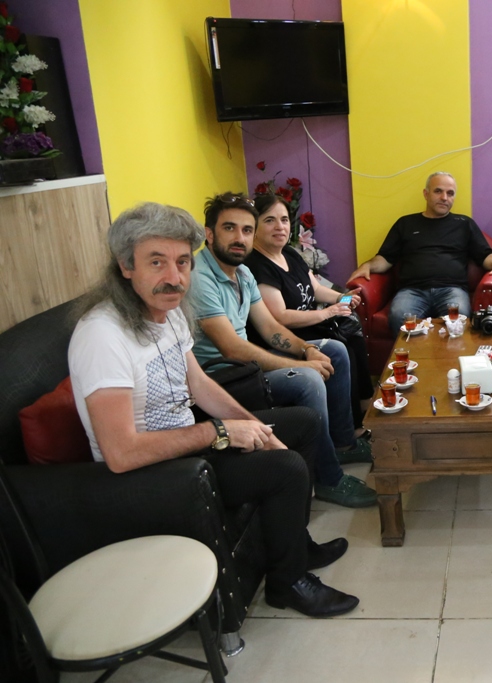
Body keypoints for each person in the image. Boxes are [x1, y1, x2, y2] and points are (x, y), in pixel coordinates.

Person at [68, 201, 361, 617]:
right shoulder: (103, 335)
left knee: (303, 424)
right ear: (125, 265)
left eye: (182, 262)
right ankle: (288, 584)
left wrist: (256, 427)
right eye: (157, 262)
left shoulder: (166, 312)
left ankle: (297, 546)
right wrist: (219, 431)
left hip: (186, 446)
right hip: (150, 476)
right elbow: (121, 453)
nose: (174, 277)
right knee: (286, 469)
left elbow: (200, 384)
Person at [191, 192, 376, 508]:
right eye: (229, 228)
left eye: (246, 230)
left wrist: (306, 351)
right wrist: (303, 366)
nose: (239, 238)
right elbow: (231, 348)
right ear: (209, 233)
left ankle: (343, 443)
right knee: (308, 380)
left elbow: (269, 327)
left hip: (246, 368)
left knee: (333, 350)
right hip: (221, 379)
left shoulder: (242, 272)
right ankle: (328, 477)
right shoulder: (200, 278)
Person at [245, 193, 374, 441]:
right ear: (255, 227)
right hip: (289, 334)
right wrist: (326, 312)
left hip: (311, 324)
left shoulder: (289, 253)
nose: (280, 226)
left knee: (354, 334)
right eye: (270, 220)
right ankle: (349, 430)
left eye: (284, 220)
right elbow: (280, 317)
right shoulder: (257, 265)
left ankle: (364, 409)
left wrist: (342, 298)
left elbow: (314, 288)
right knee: (342, 348)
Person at [348, 171, 492, 335]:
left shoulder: (464, 224)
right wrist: (367, 265)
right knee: (399, 316)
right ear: (426, 194)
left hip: (452, 290)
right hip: (412, 291)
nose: (444, 198)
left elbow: (485, 255)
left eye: (450, 193)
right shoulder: (405, 223)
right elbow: (385, 258)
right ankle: (413, 352)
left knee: (459, 319)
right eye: (438, 191)